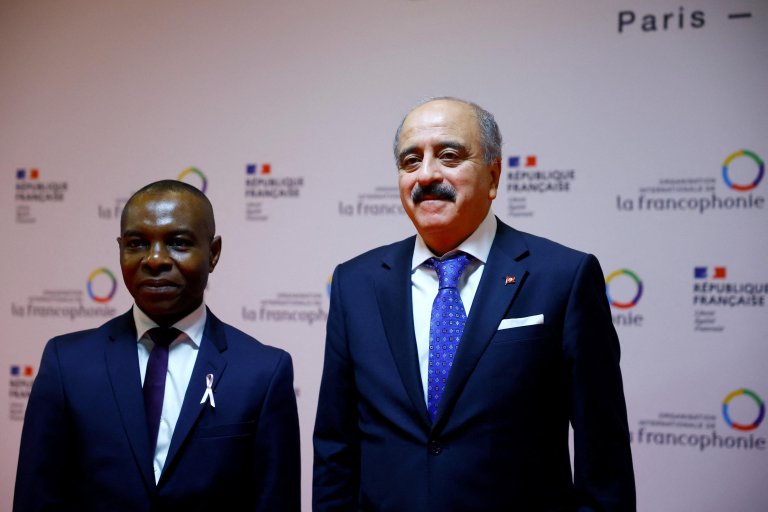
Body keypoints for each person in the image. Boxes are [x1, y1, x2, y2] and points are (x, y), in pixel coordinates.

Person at [312, 97, 635, 511]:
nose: (427, 175)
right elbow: (336, 447)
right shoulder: (355, 284)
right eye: (410, 161)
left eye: (449, 156)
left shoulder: (563, 278)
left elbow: (603, 454)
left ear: (494, 176)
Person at [14, 179, 300, 512]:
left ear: (214, 253)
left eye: (178, 242)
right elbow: (36, 498)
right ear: (120, 249)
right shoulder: (67, 364)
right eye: (137, 244)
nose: (154, 259)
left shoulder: (262, 372)